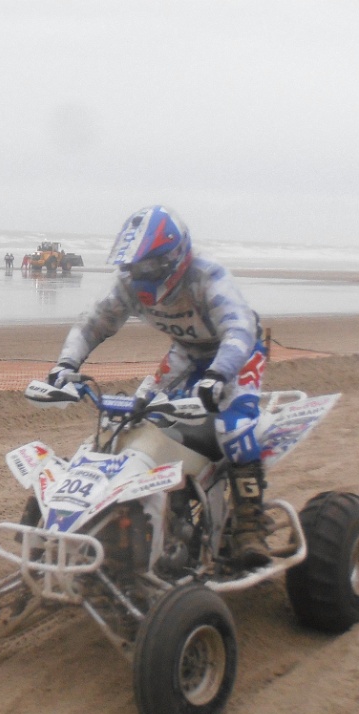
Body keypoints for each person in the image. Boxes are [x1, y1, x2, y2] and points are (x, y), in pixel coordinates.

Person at [47, 205, 271, 567]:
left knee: (235, 427)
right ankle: (141, 507)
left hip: (237, 355)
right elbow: (92, 324)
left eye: (148, 267)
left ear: (174, 258)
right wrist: (66, 365)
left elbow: (239, 328)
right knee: (143, 416)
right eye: (133, 267)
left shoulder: (207, 277)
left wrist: (218, 374)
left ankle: (250, 526)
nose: (140, 276)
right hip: (186, 353)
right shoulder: (128, 286)